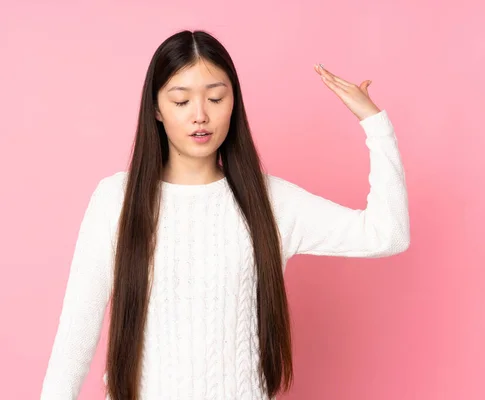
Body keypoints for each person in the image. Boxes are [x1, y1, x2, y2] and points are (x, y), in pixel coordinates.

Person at [40, 29, 410, 400]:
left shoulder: (270, 202)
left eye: (215, 98)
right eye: (181, 101)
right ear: (156, 109)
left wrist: (375, 125)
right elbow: (76, 334)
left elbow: (387, 234)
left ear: (233, 102)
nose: (200, 116)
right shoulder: (116, 200)